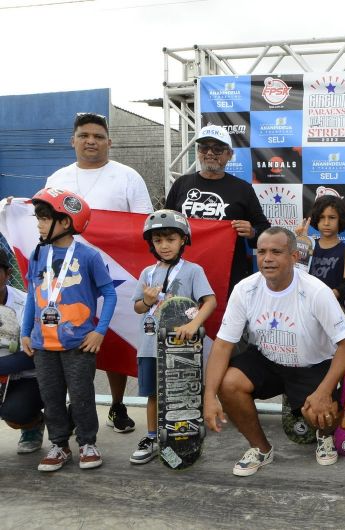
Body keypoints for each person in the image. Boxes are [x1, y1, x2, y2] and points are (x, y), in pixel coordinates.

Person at [203, 227, 345, 476]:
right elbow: (222, 344)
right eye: (261, 251)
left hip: (312, 365)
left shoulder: (316, 291)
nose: (267, 258)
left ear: (294, 257)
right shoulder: (245, 289)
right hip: (268, 359)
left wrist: (324, 392)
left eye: (276, 251)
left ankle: (325, 436)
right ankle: (261, 449)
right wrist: (209, 396)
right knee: (228, 384)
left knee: (322, 413)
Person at [46, 112, 153, 435]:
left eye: (97, 136)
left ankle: (117, 404)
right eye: (84, 135)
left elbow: (145, 225)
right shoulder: (57, 179)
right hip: (66, 277)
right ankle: (76, 404)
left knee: (115, 337)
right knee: (69, 338)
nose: (90, 141)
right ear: (73, 140)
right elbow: (42, 219)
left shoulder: (127, 177)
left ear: (109, 141)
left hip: (115, 274)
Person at [21, 188, 117, 472]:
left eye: (43, 217)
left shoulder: (88, 256)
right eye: (37, 217)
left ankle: (88, 443)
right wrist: (27, 332)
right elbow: (31, 294)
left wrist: (99, 331)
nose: (38, 223)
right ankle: (59, 445)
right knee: (51, 399)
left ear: (65, 222)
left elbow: (109, 293)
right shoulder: (37, 253)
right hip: (42, 344)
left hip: (78, 343)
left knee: (81, 395)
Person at [129, 210, 217, 464]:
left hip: (182, 349)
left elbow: (209, 301)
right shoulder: (147, 272)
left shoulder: (193, 271)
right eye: (158, 240)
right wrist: (146, 301)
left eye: (170, 239)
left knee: (184, 394)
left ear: (183, 240)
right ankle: (152, 437)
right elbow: (137, 307)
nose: (164, 245)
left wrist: (195, 323)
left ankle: (187, 435)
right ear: (151, 244)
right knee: (153, 394)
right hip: (149, 347)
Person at [165, 124, 270, 296]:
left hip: (228, 272)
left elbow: (265, 230)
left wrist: (252, 232)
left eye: (218, 149)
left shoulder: (243, 189)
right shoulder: (181, 184)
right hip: (183, 269)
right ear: (198, 152)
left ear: (229, 154)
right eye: (204, 147)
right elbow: (165, 225)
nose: (210, 153)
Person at [0, 251, 44, 454]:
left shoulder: (27, 303)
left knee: (16, 412)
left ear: (8, 273)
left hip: (27, 378)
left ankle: (33, 424)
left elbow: (36, 353)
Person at [296, 194, 345, 308]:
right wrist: (301, 242)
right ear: (316, 220)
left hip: (333, 309)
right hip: (306, 307)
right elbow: (296, 276)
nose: (326, 223)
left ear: (340, 219)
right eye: (322, 217)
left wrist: (331, 294)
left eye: (332, 217)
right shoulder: (309, 246)